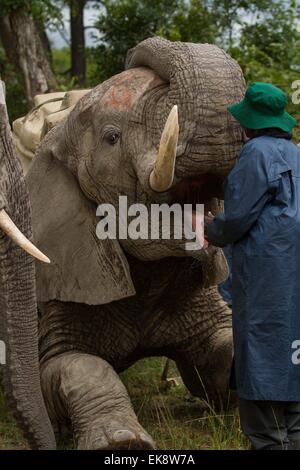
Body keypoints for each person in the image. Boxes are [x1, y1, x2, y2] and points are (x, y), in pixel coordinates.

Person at [205, 82, 300, 450]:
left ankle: (267, 438)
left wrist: (211, 228)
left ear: (251, 122)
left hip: (265, 270)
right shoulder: (294, 153)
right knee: (290, 341)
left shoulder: (255, 153)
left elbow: (238, 218)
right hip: (292, 271)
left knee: (261, 341)